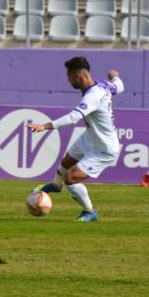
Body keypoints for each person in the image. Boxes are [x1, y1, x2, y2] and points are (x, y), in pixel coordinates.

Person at [27, 58, 125, 222]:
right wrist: (115, 76)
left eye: (69, 76)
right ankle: (56, 185)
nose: (68, 80)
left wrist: (45, 126)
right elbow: (119, 86)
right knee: (66, 161)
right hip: (90, 137)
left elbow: (73, 118)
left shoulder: (92, 96)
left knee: (71, 178)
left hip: (104, 148)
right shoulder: (104, 85)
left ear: (78, 75)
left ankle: (89, 211)